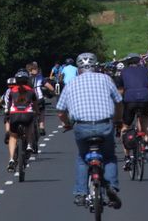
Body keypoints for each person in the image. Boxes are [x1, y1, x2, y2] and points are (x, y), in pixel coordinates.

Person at [56, 53, 122, 209]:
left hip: (82, 127)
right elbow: (119, 102)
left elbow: (60, 110)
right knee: (109, 156)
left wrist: (67, 124)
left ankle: (80, 193)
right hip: (104, 125)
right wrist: (118, 120)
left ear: (79, 69)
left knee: (82, 158)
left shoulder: (72, 84)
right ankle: (111, 186)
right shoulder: (105, 79)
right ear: (96, 66)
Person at [117, 53, 148, 171]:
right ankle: (146, 142)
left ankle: (127, 157)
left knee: (124, 127)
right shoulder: (146, 70)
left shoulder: (123, 72)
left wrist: (120, 105)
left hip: (130, 100)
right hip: (145, 98)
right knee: (144, 117)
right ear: (139, 61)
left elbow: (121, 91)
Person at [5, 69, 38, 171]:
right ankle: (29, 144)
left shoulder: (11, 91)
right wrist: (37, 112)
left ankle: (11, 160)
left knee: (13, 137)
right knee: (30, 124)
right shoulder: (31, 91)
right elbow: (35, 105)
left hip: (14, 115)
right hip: (27, 114)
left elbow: (9, 104)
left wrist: (8, 114)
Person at [27, 62, 54, 136]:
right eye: (35, 69)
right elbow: (50, 87)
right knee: (42, 111)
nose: (36, 70)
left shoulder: (26, 78)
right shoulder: (40, 77)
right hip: (39, 98)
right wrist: (52, 91)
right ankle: (41, 126)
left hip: (29, 100)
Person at [0, 77, 16, 145]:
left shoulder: (7, 91)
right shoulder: (19, 90)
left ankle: (7, 131)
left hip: (8, 109)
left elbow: (1, 101)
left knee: (7, 120)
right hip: (18, 110)